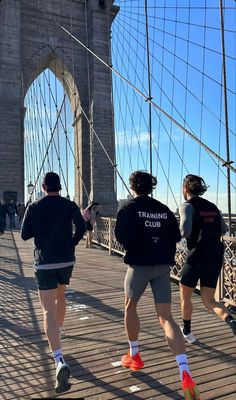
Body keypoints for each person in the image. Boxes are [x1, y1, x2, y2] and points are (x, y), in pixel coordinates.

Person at [115, 170, 200, 400]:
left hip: (139, 266)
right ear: (151, 187)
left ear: (133, 186)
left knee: (130, 307)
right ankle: (184, 370)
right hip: (163, 266)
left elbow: (121, 236)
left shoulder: (127, 208)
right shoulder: (163, 208)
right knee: (166, 318)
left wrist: (139, 241)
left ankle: (134, 354)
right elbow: (175, 236)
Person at [21, 172, 86, 393]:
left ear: (42, 187)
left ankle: (58, 359)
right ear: (59, 186)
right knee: (61, 297)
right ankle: (57, 333)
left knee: (47, 309)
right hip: (66, 261)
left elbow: (24, 235)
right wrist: (72, 243)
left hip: (45, 263)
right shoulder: (70, 205)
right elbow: (83, 228)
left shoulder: (35, 206)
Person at [179, 174, 236, 342]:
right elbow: (223, 229)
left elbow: (184, 230)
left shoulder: (187, 206)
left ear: (186, 189)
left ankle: (187, 332)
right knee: (209, 300)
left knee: (185, 295)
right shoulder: (213, 207)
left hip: (196, 256)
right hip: (215, 256)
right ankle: (232, 322)